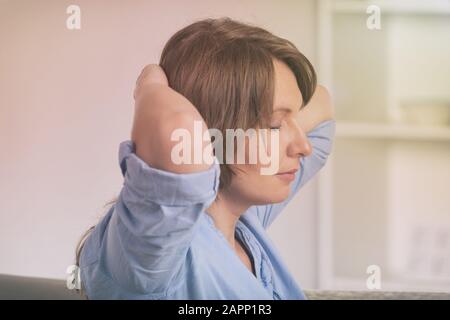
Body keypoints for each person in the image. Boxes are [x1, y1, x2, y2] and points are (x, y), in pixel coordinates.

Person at [76, 17, 335, 299]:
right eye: (274, 125)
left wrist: (280, 117)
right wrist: (149, 83)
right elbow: (176, 127)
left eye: (294, 120)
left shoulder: (244, 220)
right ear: (212, 135)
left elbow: (322, 104)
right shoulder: (150, 253)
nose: (303, 146)